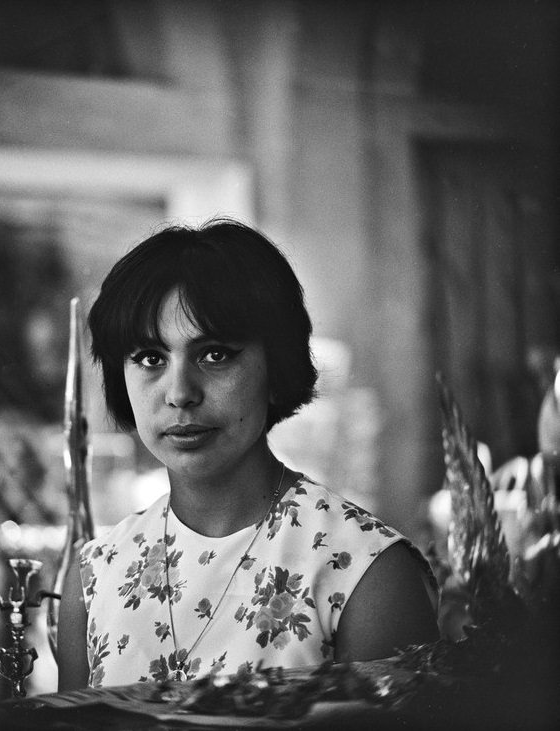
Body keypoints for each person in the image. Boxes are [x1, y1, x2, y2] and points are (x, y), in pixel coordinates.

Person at [57, 219, 438, 689]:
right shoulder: (95, 576)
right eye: (151, 358)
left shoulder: (367, 573)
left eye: (215, 355)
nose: (179, 393)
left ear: (275, 367)